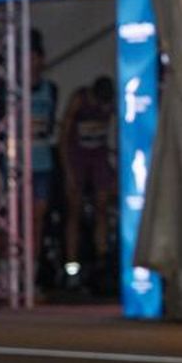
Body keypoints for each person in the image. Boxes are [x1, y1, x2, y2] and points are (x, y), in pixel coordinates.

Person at [60, 75, 117, 291]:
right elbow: (64, 135)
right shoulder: (79, 100)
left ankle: (102, 259)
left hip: (98, 157)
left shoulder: (109, 103)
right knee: (74, 211)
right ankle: (71, 267)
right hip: (78, 157)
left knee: (102, 207)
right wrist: (68, 171)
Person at [27, 30, 61, 285]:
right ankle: (11, 268)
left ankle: (32, 272)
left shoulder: (51, 89)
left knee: (38, 217)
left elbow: (51, 125)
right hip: (17, 163)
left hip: (42, 162)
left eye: (35, 56)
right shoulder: (10, 88)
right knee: (19, 219)